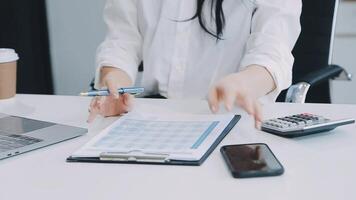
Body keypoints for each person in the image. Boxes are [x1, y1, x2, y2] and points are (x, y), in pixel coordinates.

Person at [88, 0, 302, 128]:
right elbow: (122, 40)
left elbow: (273, 50)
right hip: (151, 117)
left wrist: (245, 83)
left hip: (227, 119)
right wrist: (115, 83)